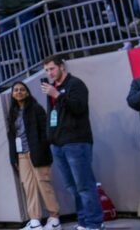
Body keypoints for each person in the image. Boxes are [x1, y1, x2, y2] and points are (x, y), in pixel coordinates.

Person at [41, 56, 103, 230]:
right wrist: (50, 138)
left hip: (76, 141)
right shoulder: (54, 88)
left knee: (84, 185)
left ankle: (94, 223)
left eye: (52, 69)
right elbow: (53, 115)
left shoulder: (75, 84)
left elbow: (79, 107)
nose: (49, 73)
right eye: (46, 70)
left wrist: (57, 95)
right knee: (72, 186)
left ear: (62, 67)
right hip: (58, 143)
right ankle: (84, 221)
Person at [7, 82, 60, 230]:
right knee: (29, 188)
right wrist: (14, 158)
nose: (19, 92)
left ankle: (54, 218)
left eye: (22, 89)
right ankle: (35, 221)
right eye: (16, 90)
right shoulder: (12, 113)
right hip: (21, 155)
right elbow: (12, 137)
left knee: (44, 185)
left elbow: (45, 131)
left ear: (28, 93)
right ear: (12, 94)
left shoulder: (36, 109)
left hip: (37, 153)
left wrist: (42, 149)